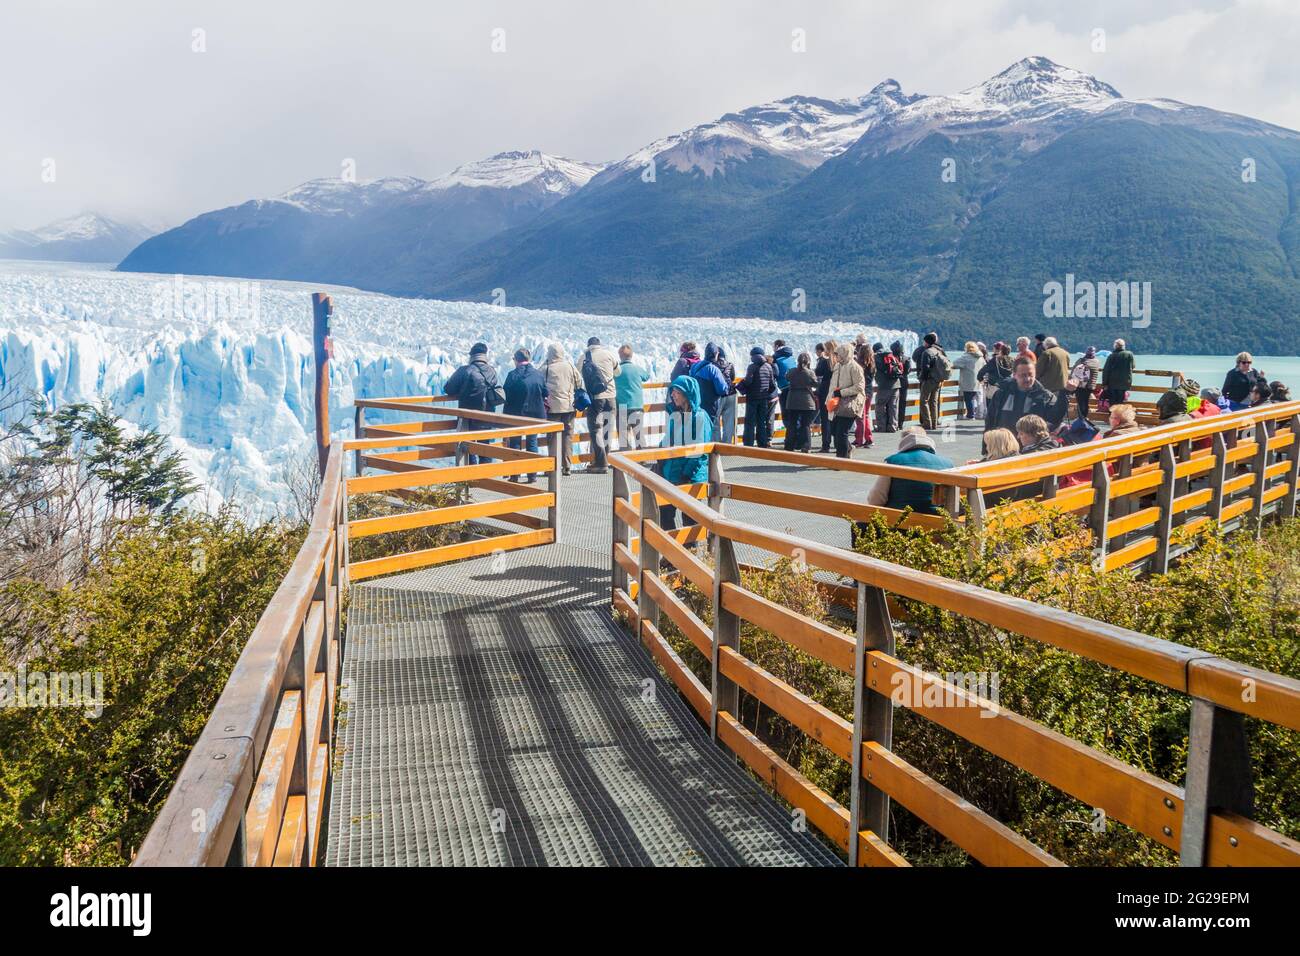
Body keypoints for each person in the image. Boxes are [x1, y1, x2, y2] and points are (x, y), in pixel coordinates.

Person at [659, 375, 712, 531]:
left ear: (688, 394)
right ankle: (671, 552)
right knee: (665, 514)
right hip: (671, 474)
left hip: (689, 476)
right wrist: (660, 456)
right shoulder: (676, 415)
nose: (673, 395)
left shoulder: (700, 417)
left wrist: (686, 474)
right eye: (672, 392)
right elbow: (668, 439)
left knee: (690, 520)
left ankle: (689, 552)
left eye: (677, 392)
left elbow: (700, 451)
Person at [863, 427, 954, 516]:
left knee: (859, 524)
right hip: (937, 522)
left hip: (899, 522)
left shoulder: (893, 461)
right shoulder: (948, 464)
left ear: (903, 440)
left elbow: (876, 499)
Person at [444, 342, 505, 465]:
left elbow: (448, 388)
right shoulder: (491, 371)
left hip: (468, 416)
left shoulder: (464, 370)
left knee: (468, 445)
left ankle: (471, 477)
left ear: (472, 356)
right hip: (487, 414)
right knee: (485, 445)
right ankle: (486, 477)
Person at [502, 348, 547, 482]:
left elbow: (506, 394)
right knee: (532, 442)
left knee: (515, 443)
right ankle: (532, 475)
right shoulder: (538, 375)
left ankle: (515, 475)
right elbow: (545, 393)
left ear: (516, 360)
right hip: (534, 414)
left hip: (516, 414)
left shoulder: (512, 375)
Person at [985, 357, 1062, 433]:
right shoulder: (1001, 394)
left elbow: (1055, 420)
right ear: (1014, 375)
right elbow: (990, 421)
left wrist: (1064, 394)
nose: (1028, 379)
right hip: (1004, 442)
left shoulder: (1046, 397)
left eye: (1030, 375)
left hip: (1032, 443)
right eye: (1023, 375)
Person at [579, 336, 619, 474]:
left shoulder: (584, 356)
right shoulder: (608, 354)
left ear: (588, 345)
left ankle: (601, 463)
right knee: (608, 429)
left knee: (596, 430)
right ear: (599, 345)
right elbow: (618, 372)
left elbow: (578, 375)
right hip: (611, 397)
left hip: (596, 398)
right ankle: (605, 460)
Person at [543, 344, 582, 476]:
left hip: (553, 409)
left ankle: (553, 468)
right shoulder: (570, 366)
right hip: (569, 407)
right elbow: (579, 382)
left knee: (553, 438)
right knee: (567, 437)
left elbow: (538, 380)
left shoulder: (547, 368)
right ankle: (567, 466)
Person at [828, 342, 866, 458]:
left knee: (841, 433)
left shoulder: (855, 367)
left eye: (838, 354)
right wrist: (828, 399)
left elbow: (860, 386)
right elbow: (833, 385)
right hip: (836, 403)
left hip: (850, 404)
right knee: (834, 431)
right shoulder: (838, 366)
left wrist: (842, 392)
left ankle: (841, 460)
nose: (836, 357)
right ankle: (848, 448)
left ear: (845, 354)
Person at [690, 342, 733, 438]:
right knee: (709, 429)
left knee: (698, 429)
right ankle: (709, 451)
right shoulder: (713, 369)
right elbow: (722, 390)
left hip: (696, 403)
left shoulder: (695, 366)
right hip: (710, 405)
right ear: (716, 354)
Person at [739, 346, 776, 447]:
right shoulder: (768, 366)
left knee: (750, 422)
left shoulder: (752, 367)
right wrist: (766, 393)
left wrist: (742, 385)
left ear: (752, 356)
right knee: (761, 422)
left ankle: (748, 444)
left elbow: (748, 381)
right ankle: (762, 444)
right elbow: (772, 384)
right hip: (763, 399)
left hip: (752, 398)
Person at [614, 344, 648, 450]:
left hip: (622, 407)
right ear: (631, 356)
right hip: (637, 406)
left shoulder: (616, 371)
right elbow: (646, 376)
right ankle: (643, 460)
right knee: (639, 436)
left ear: (620, 356)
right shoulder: (637, 369)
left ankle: (626, 463)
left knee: (624, 439)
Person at [915, 332, 951, 430]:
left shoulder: (927, 352)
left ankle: (927, 423)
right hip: (938, 380)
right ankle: (934, 423)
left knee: (923, 401)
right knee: (933, 402)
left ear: (926, 342)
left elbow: (925, 368)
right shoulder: (938, 350)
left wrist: (922, 377)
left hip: (929, 380)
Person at [784, 352, 818, 452]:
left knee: (792, 424)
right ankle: (806, 446)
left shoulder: (792, 371)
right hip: (806, 401)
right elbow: (816, 384)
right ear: (808, 361)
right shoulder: (810, 372)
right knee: (805, 425)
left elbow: (786, 378)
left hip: (792, 400)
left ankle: (789, 445)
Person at [874, 341, 905, 432]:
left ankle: (881, 427)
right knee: (893, 406)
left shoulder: (877, 357)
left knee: (880, 406)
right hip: (896, 384)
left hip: (884, 386)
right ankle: (892, 427)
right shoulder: (890, 355)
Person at [951, 341, 986, 420]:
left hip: (968, 382)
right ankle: (975, 414)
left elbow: (954, 364)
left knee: (968, 399)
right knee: (974, 399)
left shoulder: (966, 357)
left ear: (967, 348)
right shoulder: (980, 357)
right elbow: (984, 366)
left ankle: (970, 415)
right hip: (978, 382)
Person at [1036, 336, 1071, 410]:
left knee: (1046, 408)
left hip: (1049, 387)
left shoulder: (1047, 353)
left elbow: (1038, 371)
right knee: (1058, 408)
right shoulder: (1065, 353)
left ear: (1046, 345)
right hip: (1062, 386)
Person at [713, 345, 738, 443]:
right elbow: (732, 378)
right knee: (729, 422)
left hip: (718, 396)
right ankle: (727, 446)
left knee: (715, 421)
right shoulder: (730, 365)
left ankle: (717, 446)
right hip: (731, 394)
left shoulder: (713, 366)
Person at [1069, 346, 1102, 420]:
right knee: (1086, 401)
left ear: (1086, 352)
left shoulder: (1082, 360)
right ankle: (1085, 417)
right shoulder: (1096, 362)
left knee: (1080, 402)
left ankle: (1081, 417)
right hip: (1090, 386)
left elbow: (1073, 371)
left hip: (1080, 385)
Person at [1101, 338, 1135, 406]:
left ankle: (1112, 415)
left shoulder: (1111, 356)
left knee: (1112, 402)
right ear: (1123, 346)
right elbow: (1133, 366)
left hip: (1112, 383)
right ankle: (1119, 415)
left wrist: (1104, 384)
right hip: (1124, 383)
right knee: (1120, 402)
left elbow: (1106, 370)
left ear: (1115, 346)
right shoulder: (1129, 354)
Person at [853, 341, 875, 448]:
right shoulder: (872, 363)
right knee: (865, 415)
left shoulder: (859, 364)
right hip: (870, 391)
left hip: (861, 392)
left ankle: (859, 439)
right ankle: (869, 438)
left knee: (860, 416)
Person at [814, 341, 835, 452]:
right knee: (836, 419)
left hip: (825, 392)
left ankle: (825, 445)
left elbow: (817, 372)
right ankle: (838, 444)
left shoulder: (825, 361)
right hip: (836, 392)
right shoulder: (838, 361)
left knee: (825, 419)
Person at [772, 339, 796, 435]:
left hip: (785, 388)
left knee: (786, 414)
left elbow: (775, 373)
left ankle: (790, 437)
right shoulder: (791, 356)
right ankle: (797, 437)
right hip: (795, 387)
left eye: (773, 346)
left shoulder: (775, 358)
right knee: (794, 413)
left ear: (777, 346)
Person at [896, 341, 914, 427]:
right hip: (904, 382)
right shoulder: (907, 359)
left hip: (896, 382)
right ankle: (901, 423)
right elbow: (909, 370)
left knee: (893, 404)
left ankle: (893, 422)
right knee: (902, 403)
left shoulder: (893, 358)